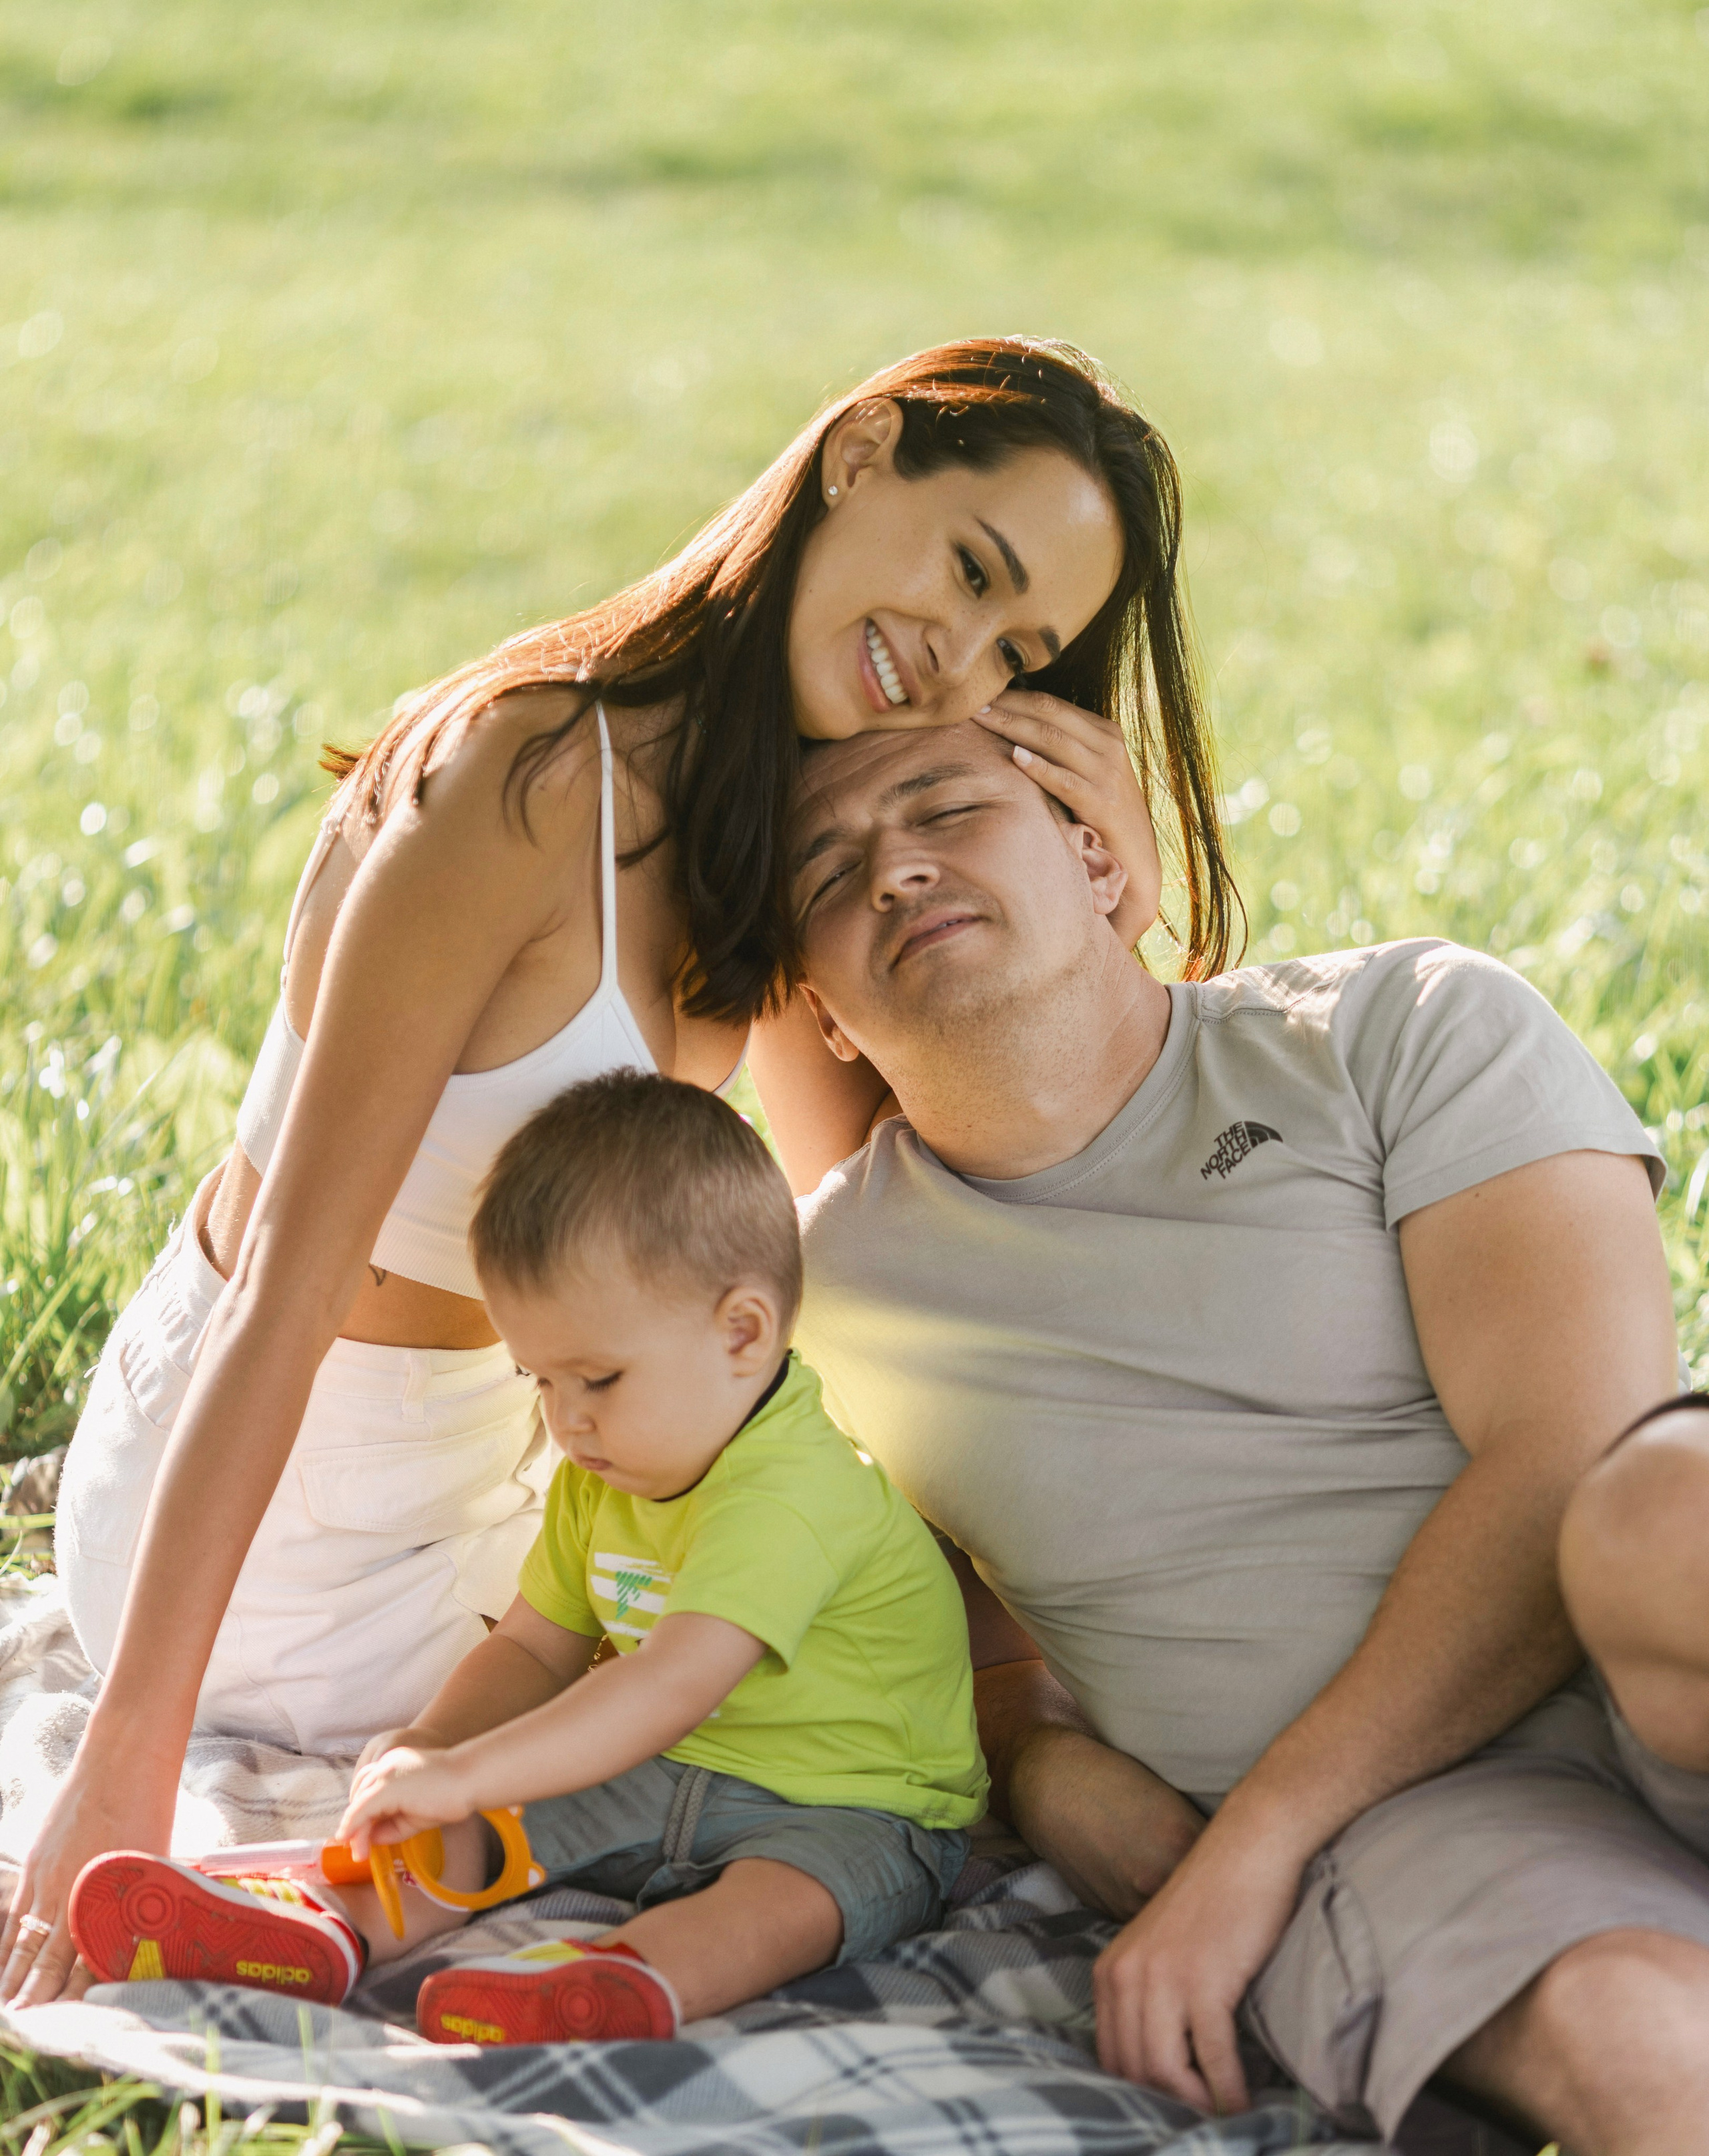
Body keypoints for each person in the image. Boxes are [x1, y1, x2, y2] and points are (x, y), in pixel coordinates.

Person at [7, 336, 1215, 2006]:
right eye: (967, 570)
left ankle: (1031, 1743)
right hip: (296, 1505)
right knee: (793, 1684)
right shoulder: (527, 776)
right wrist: (124, 1766)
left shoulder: (765, 821)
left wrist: (1096, 913)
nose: (955, 660)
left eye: (1016, 652)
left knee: (834, 1533)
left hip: (519, 1475)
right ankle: (977, 1779)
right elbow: (285, 1279)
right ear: (860, 452)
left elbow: (893, 1244)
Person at [777, 716, 1702, 2152]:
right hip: (1421, 1830)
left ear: (1099, 860)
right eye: (829, 873)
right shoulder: (805, 1303)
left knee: (1665, 1513)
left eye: (945, 810)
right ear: (821, 1014)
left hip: (1652, 1646)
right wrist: (1038, 1758)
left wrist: (1248, 1849)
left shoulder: (1401, 1024)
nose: (894, 869)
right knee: (1636, 2036)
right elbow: (886, 1636)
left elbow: (1574, 1454)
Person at [67, 1074, 987, 2040]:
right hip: (664, 1770)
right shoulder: (606, 1470)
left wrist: (474, 1770)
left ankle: (618, 1981)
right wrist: (434, 1746)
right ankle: (329, 1924)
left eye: (597, 1377)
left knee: (784, 1901)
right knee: (468, 1825)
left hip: (853, 1804)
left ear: (744, 1333)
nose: (565, 1419)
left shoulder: (792, 1492)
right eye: (539, 1378)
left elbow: (667, 1684)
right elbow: (532, 1647)